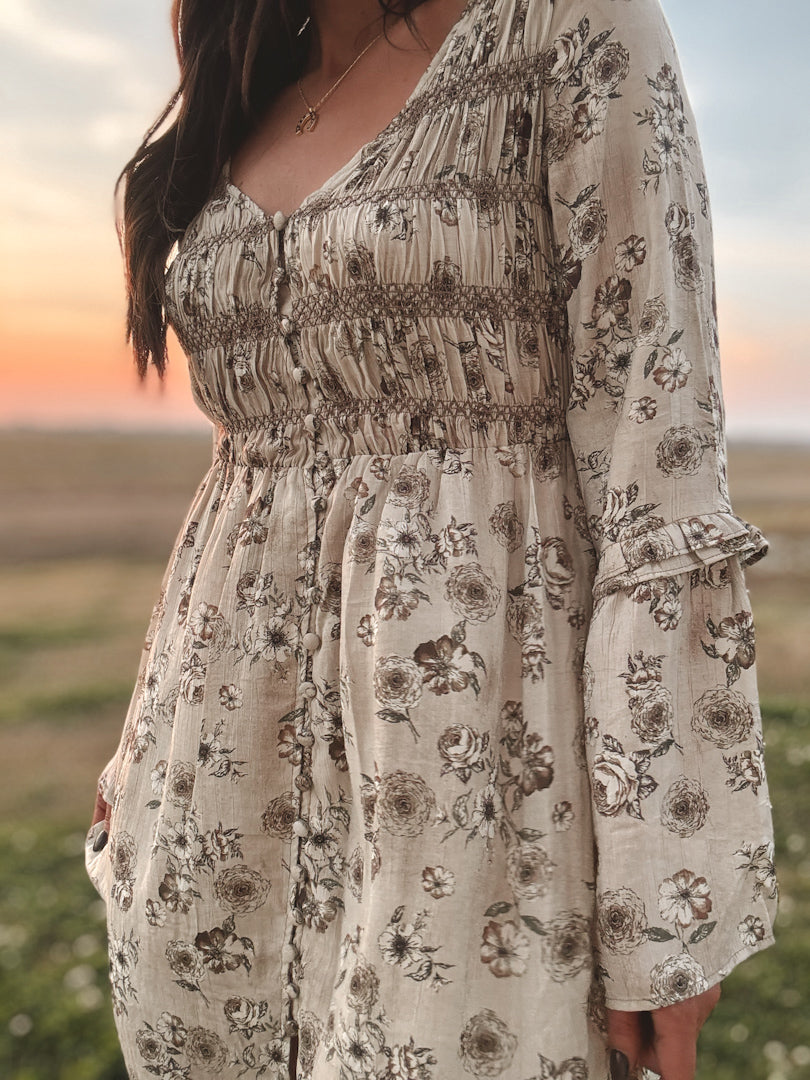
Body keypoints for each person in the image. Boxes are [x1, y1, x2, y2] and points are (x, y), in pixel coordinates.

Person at [86, 0, 778, 1077]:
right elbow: (254, 475)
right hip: (208, 795)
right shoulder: (249, 88)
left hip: (477, 794)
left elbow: (657, 461)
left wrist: (665, 896)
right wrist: (136, 751)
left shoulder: (570, 31)